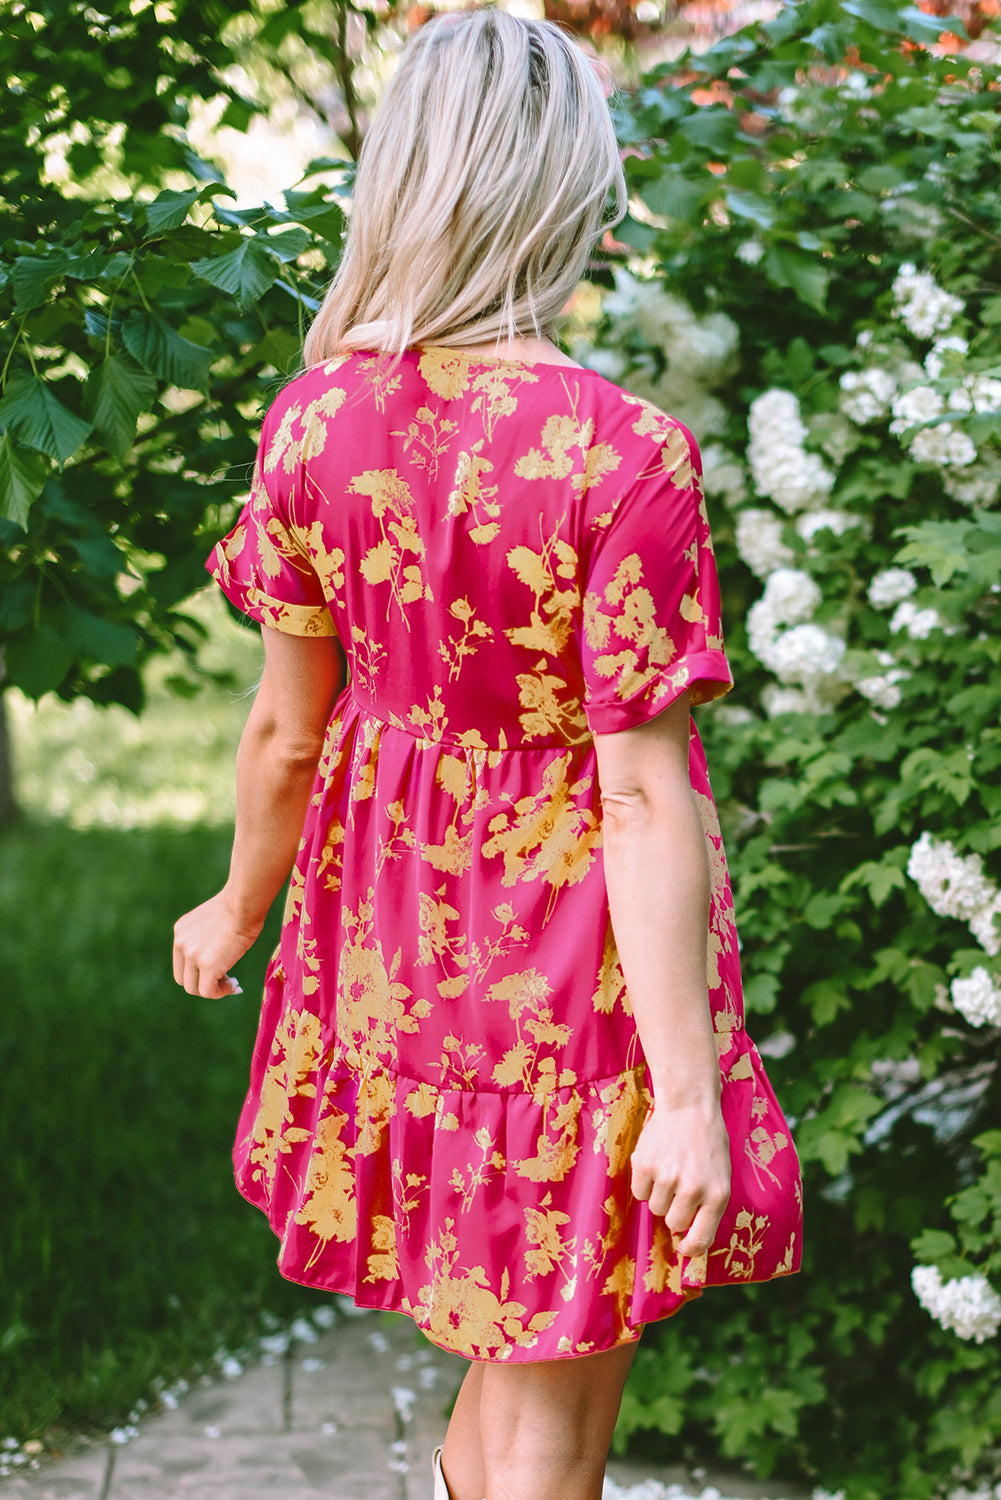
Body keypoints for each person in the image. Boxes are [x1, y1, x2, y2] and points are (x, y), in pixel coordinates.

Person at [172, 10, 803, 1500]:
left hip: (386, 948)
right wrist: (692, 1092)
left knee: (512, 1353)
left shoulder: (313, 422)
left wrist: (238, 904)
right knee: (548, 1412)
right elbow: (642, 794)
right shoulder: (618, 451)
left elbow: (283, 732)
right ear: (567, 192)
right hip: (570, 968)